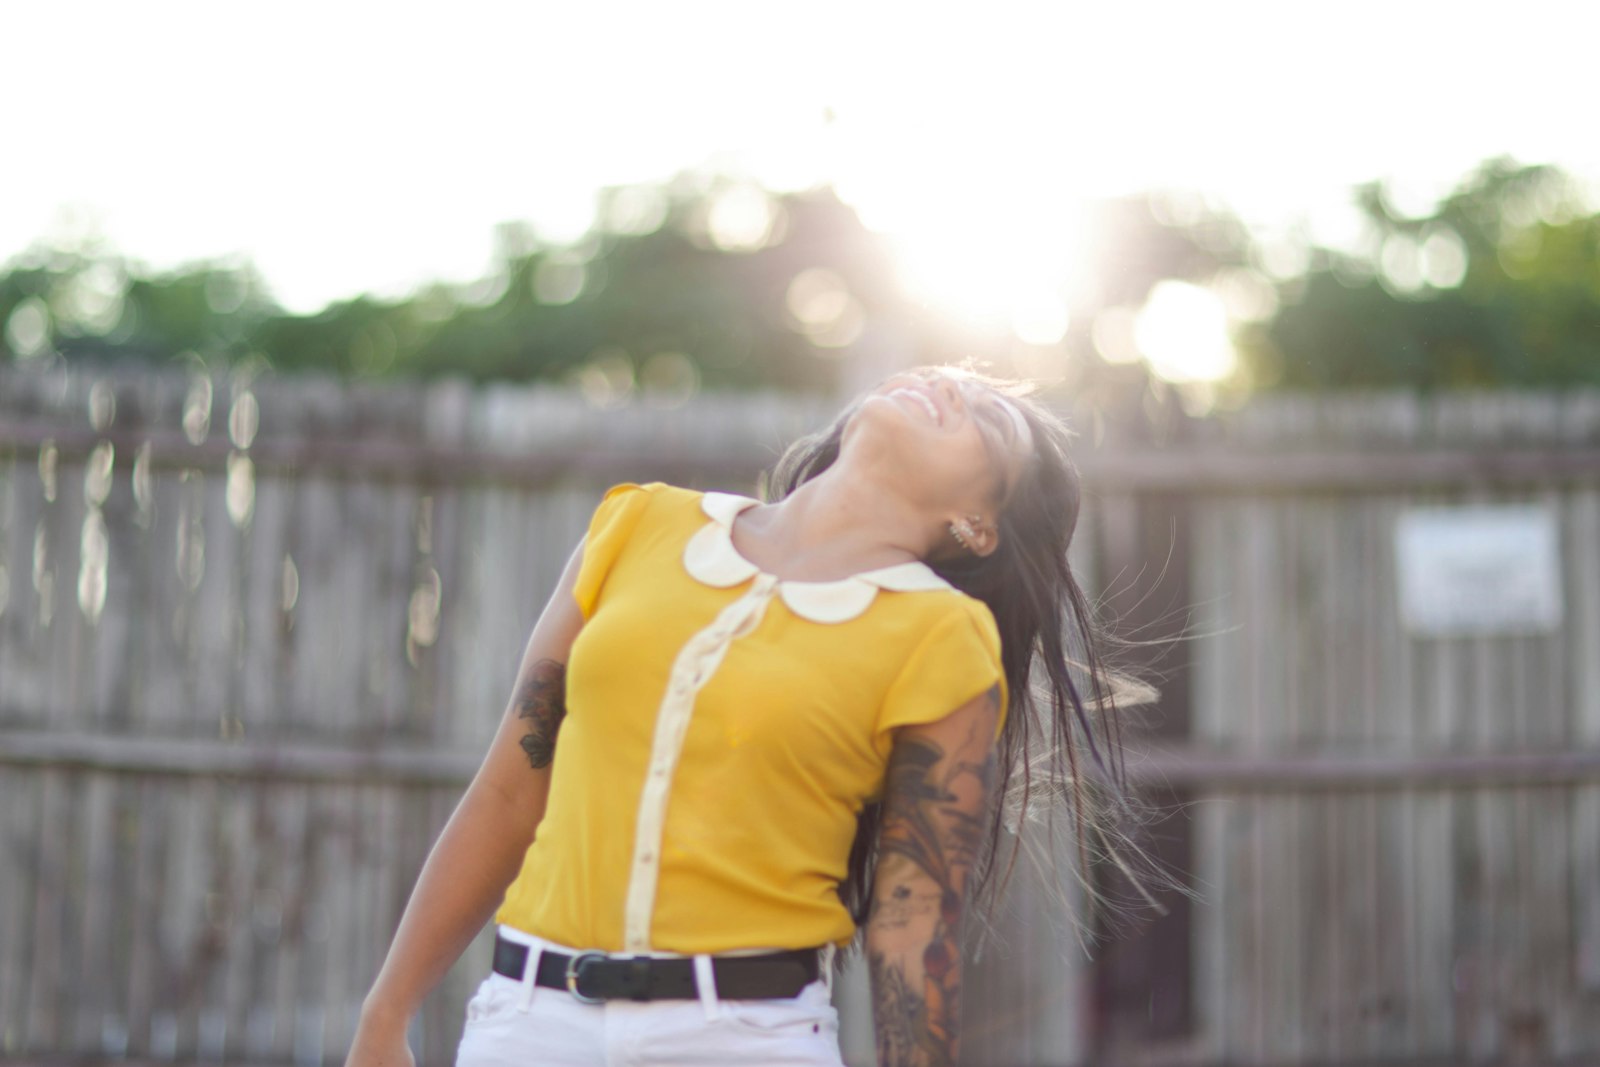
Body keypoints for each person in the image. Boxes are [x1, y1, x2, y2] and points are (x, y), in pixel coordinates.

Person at [344, 366, 1133, 1067]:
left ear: (977, 524)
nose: (952, 387)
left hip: (743, 1038)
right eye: (951, 377)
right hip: (526, 1025)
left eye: (987, 420)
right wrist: (385, 1013)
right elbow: (509, 793)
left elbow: (910, 926)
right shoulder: (637, 526)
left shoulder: (943, 638)